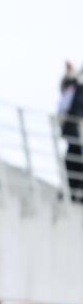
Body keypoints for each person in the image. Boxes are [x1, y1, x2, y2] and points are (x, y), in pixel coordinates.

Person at [60, 62, 83, 203]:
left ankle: (74, 192)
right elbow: (67, 85)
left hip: (75, 128)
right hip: (73, 128)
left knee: (74, 159)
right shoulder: (75, 87)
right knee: (73, 158)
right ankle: (73, 192)